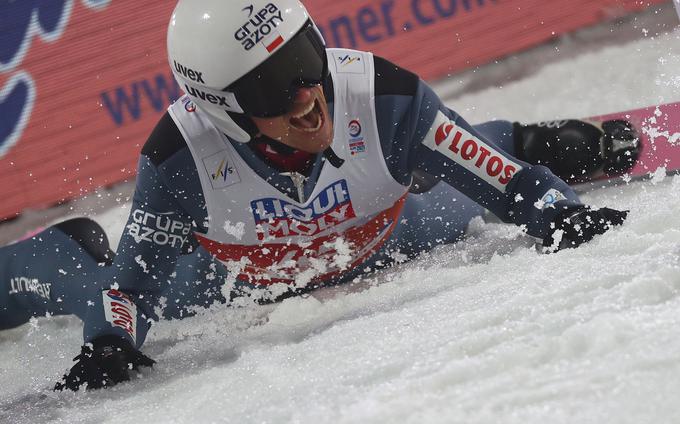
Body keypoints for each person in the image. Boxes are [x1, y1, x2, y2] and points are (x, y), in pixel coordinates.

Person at [0, 0, 639, 391]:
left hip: (380, 233)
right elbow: (132, 293)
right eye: (274, 87)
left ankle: (525, 135)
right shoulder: (179, 160)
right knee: (111, 305)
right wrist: (111, 342)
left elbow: (502, 183)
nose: (308, 95)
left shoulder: (382, 97)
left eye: (308, 58)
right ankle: (61, 249)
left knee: (455, 179)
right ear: (223, 109)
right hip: (230, 278)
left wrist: (561, 212)